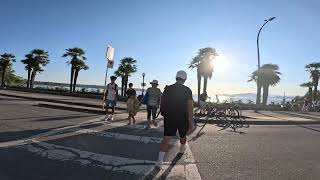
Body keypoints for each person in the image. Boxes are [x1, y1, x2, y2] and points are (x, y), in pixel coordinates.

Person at [156, 70, 195, 167]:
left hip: (169, 118)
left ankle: (159, 161)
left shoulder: (168, 89)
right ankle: (182, 148)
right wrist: (191, 121)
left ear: (176, 77)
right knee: (183, 136)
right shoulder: (187, 90)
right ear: (185, 79)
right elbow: (190, 107)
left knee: (166, 139)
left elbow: (162, 102)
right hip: (183, 118)